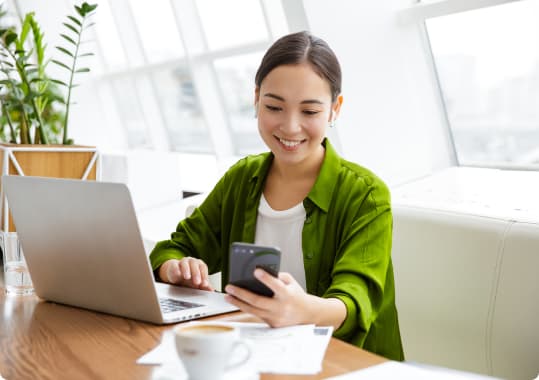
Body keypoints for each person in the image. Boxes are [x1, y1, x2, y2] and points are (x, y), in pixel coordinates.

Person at [150, 31, 404, 361]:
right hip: (250, 355)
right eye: (274, 106)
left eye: (310, 112)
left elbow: (354, 301)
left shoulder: (366, 195)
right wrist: (176, 269)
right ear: (256, 98)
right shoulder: (241, 178)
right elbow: (174, 248)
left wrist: (300, 309)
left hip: (344, 363)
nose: (290, 127)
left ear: (335, 109)